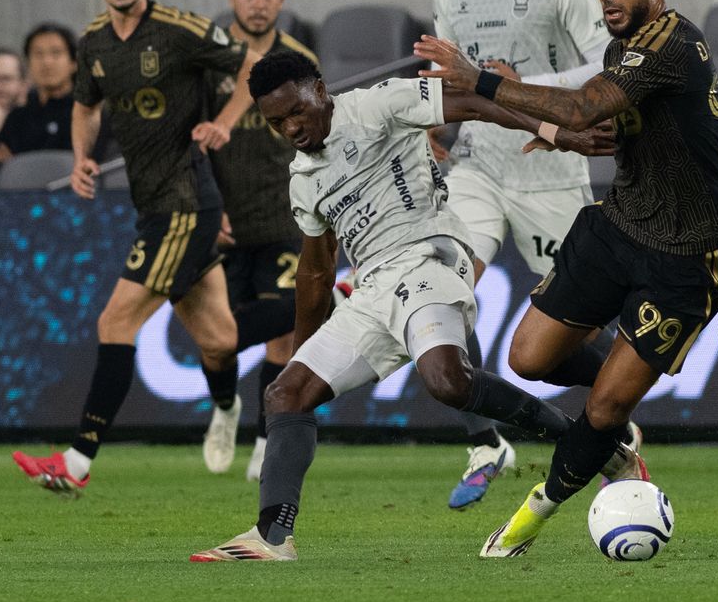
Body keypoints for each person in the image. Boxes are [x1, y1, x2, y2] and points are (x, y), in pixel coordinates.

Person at [189, 50, 636, 562]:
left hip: (429, 258)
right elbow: (315, 271)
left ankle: (588, 444)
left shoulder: (378, 106)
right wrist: (302, 353)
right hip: (372, 288)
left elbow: (471, 101)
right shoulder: (303, 179)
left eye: (296, 111)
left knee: (447, 381)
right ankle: (271, 538)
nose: (291, 127)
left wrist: (558, 132)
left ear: (319, 87)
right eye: (276, 122)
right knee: (285, 395)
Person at [415, 0, 718, 558]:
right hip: (616, 229)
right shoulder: (627, 47)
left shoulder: (670, 42)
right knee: (527, 360)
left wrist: (479, 78)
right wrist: (559, 131)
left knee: (603, 407)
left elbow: (587, 105)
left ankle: (530, 518)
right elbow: (604, 123)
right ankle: (615, 412)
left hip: (686, 258)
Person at [11, 0, 269, 494]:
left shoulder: (180, 30)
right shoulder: (96, 42)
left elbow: (255, 66)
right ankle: (230, 404)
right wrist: (81, 155)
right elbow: (85, 104)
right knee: (220, 340)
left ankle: (76, 462)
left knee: (115, 320)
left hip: (186, 205)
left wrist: (223, 124)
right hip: (151, 206)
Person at [430, 0, 622, 509]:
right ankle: (485, 440)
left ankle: (614, 424)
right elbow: (454, 80)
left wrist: (530, 95)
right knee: (444, 286)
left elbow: (606, 64)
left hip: (550, 167)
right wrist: (433, 122)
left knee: (578, 329)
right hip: (479, 161)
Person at [207, 0, 320, 482]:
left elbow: (320, 136)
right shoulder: (207, 57)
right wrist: (207, 207)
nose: (259, 3)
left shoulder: (299, 61)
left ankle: (260, 437)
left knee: (283, 332)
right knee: (218, 336)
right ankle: (224, 407)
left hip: (283, 216)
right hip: (224, 220)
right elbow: (186, 140)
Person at [0, 24, 79, 165]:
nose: (47, 62)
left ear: (74, 62)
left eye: (56, 53)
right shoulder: (17, 117)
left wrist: (16, 162)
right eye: (38, 54)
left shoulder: (89, 113)